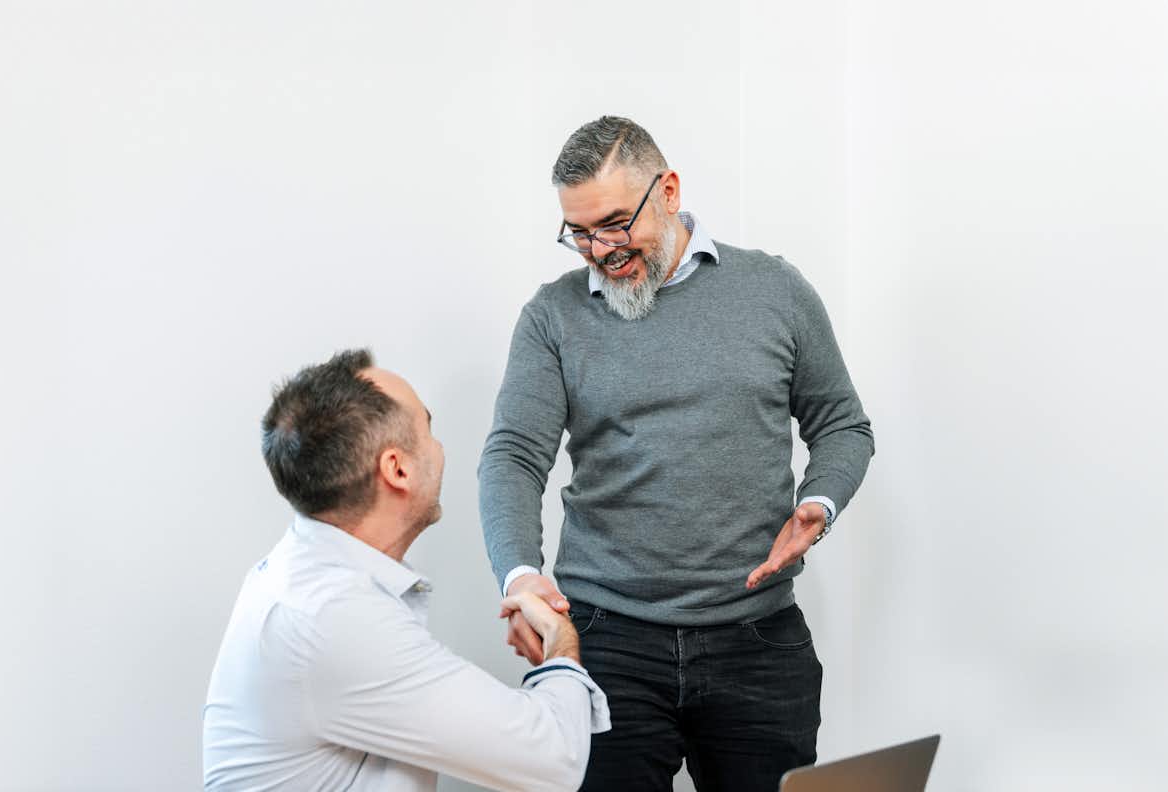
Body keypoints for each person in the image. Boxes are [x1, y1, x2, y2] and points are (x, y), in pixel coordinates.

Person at [478, 116, 874, 790]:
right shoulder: (552, 316)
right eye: (579, 233)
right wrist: (521, 578)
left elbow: (842, 423)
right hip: (606, 638)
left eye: (612, 223)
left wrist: (820, 500)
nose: (599, 250)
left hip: (758, 638)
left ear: (667, 190)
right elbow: (514, 455)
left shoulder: (774, 291)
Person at [204, 349, 609, 792]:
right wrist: (561, 641)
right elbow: (553, 760)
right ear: (397, 468)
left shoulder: (311, 578)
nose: (439, 448)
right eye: (428, 429)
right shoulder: (333, 618)